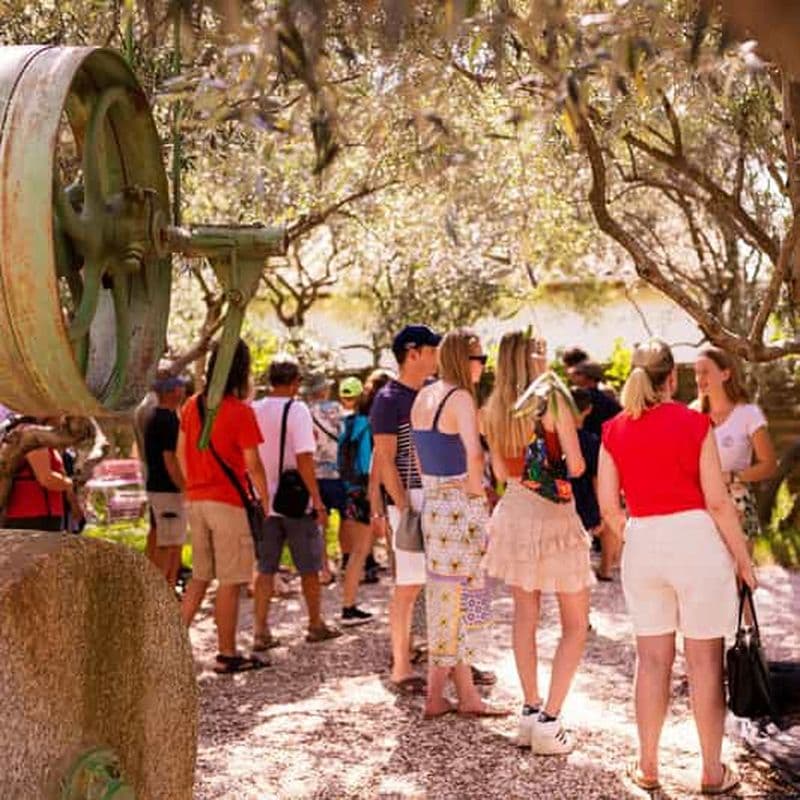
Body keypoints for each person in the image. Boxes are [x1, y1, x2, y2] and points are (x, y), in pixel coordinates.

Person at [598, 338, 756, 795]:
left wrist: (638, 535)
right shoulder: (695, 423)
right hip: (696, 543)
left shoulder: (613, 429)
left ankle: (648, 766)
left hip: (643, 542)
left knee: (651, 662)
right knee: (705, 663)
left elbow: (609, 508)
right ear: (672, 378)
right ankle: (711, 772)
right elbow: (718, 503)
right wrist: (743, 560)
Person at [483, 330, 594, 755]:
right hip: (553, 516)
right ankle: (550, 720)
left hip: (513, 511)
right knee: (575, 624)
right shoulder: (553, 400)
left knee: (524, 617)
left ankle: (529, 711)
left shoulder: (491, 408)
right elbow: (577, 466)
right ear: (533, 358)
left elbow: (499, 472)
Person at [411, 329, 506, 719]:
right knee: (463, 600)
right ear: (463, 360)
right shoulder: (461, 398)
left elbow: (417, 456)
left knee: (449, 598)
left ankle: (462, 695)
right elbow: (474, 455)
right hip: (460, 507)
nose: (482, 365)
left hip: (434, 505)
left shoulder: (424, 395)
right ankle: (438, 696)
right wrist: (476, 493)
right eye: (479, 358)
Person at [178, 339, 271, 674]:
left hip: (197, 501)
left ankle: (169, 647)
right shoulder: (239, 411)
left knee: (200, 577)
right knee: (230, 580)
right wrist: (265, 499)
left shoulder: (192, 405)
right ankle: (227, 653)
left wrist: (194, 486)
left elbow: (181, 453)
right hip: (228, 503)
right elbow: (253, 464)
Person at [370, 324, 441, 694]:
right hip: (411, 500)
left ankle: (454, 662)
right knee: (408, 585)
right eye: (432, 349)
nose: (438, 355)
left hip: (440, 495)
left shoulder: (434, 392)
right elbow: (384, 458)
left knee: (450, 583)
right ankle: (401, 666)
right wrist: (403, 508)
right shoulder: (388, 399)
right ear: (413, 354)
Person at [252, 356, 341, 647]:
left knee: (266, 568)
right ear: (295, 383)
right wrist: (317, 501)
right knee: (308, 566)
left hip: (264, 499)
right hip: (296, 500)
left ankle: (260, 630)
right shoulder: (298, 410)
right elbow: (304, 458)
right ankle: (315, 623)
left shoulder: (255, 409)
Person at [694, 347, 777, 542]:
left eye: (705, 372)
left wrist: (732, 477)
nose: (699, 379)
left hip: (737, 504)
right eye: (696, 373)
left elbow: (769, 465)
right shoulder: (692, 414)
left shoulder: (749, 414)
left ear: (725, 374)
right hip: (699, 506)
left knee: (740, 563)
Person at [336, 376, 375, 625]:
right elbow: (369, 462)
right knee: (360, 551)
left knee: (356, 552)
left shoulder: (346, 424)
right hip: (365, 490)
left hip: (350, 490)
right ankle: (348, 608)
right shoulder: (366, 425)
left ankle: (349, 605)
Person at [570, 388, 619, 581]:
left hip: (565, 494)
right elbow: (597, 477)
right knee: (606, 529)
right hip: (586, 496)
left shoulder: (555, 438)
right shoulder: (591, 441)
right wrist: (601, 507)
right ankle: (605, 568)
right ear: (588, 409)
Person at [1, 415, 81, 532]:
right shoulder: (33, 436)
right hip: (34, 517)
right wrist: (72, 484)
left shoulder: (25, 432)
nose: (63, 417)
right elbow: (46, 478)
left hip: (32, 516)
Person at [144, 374, 187, 587]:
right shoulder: (168, 421)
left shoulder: (155, 417)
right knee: (169, 543)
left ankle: (151, 587)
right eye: (180, 387)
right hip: (168, 490)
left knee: (158, 536)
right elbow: (170, 459)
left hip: (157, 487)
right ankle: (162, 590)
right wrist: (184, 487)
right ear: (172, 392)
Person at [305, 372, 345, 584]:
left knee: (319, 524)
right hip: (339, 472)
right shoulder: (337, 409)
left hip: (315, 474)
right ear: (324, 390)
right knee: (346, 518)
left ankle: (324, 569)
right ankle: (346, 562)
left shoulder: (304, 412)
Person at [568, 360, 621, 436]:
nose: (573, 377)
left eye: (579, 374)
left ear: (590, 377)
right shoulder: (610, 402)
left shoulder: (577, 399)